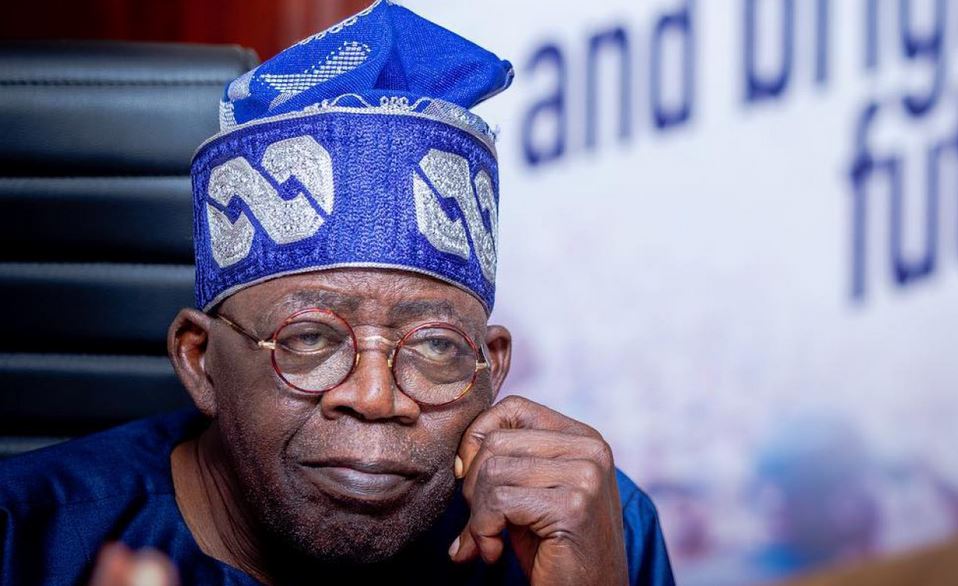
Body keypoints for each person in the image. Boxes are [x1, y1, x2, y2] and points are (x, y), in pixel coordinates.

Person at [0, 2, 674, 584]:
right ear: (199, 360)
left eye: (436, 347)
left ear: (491, 370)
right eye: (310, 338)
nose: (375, 398)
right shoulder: (23, 539)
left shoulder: (590, 524)